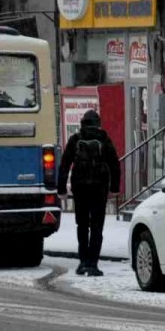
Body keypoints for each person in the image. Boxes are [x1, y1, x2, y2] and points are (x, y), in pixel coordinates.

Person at [57, 109, 120, 276]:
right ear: (98, 124)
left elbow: (64, 164)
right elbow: (114, 164)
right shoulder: (104, 139)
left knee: (82, 225)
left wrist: (61, 188)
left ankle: (83, 261)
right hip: (99, 188)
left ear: (83, 123)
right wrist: (114, 188)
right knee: (97, 227)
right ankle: (93, 263)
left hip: (80, 188)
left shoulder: (76, 139)